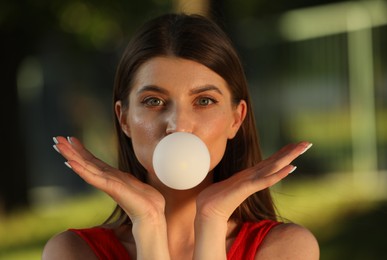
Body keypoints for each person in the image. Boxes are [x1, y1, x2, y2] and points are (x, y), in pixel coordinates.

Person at [43, 13, 319, 259]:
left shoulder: (286, 249)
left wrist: (212, 219)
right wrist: (148, 223)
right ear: (124, 118)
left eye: (204, 101)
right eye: (153, 101)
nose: (178, 125)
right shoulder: (72, 252)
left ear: (236, 118)